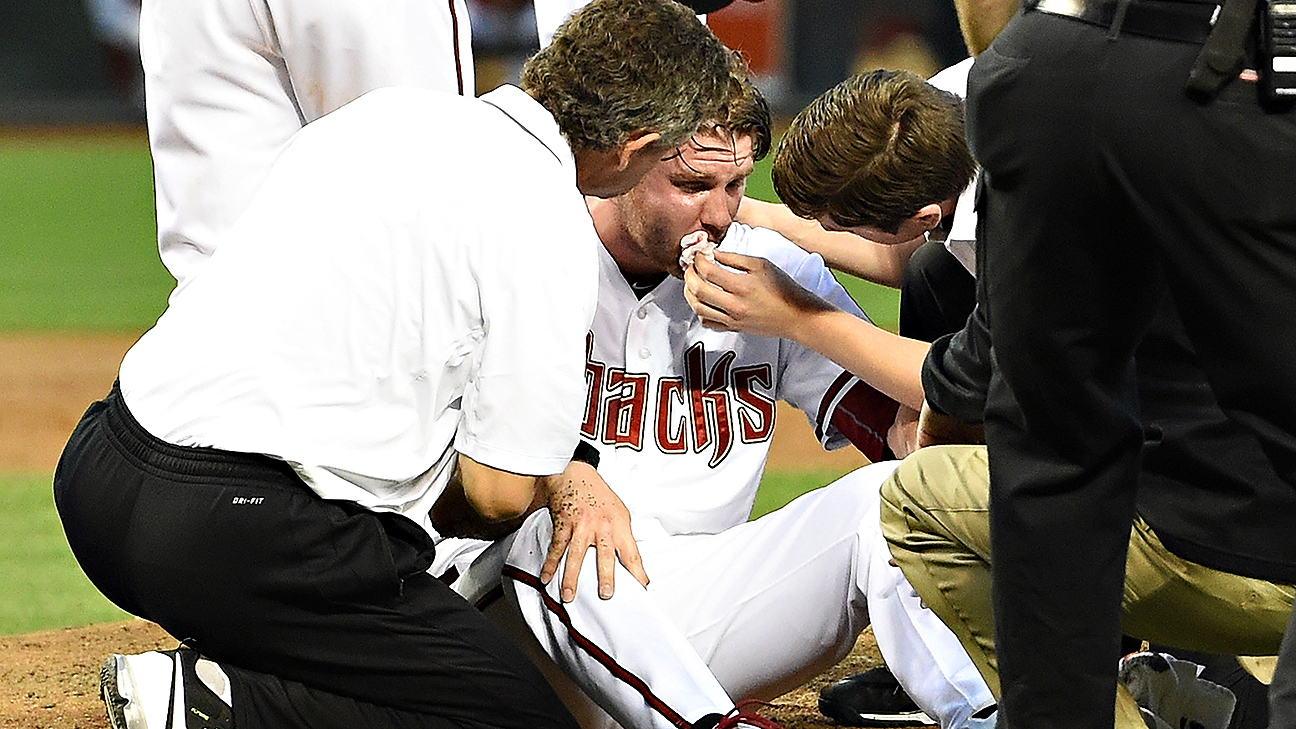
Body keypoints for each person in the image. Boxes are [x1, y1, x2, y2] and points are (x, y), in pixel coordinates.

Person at [53, 2, 735, 728]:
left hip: (102, 469)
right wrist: (554, 486)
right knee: (512, 713)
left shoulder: (383, 115)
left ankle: (243, 660)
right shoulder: (547, 219)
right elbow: (498, 491)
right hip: (231, 531)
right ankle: (211, 705)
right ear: (638, 144)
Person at [686, 60, 1296, 729]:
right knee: (936, 286)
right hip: (1245, 447)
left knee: (917, 499)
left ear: (922, 211)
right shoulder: (986, 113)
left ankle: (1063, 690)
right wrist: (730, 202)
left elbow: (955, 381)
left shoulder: (1031, 227)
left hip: (1232, 535)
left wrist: (797, 317)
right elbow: (909, 252)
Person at [430, 62, 999, 729]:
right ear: (625, 161)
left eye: (736, 184)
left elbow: (911, 437)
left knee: (893, 498)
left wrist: (797, 315)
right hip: (516, 624)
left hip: (694, 615)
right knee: (553, 524)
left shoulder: (765, 269)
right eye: (692, 184)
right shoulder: (528, 250)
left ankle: (988, 713)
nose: (720, 214)